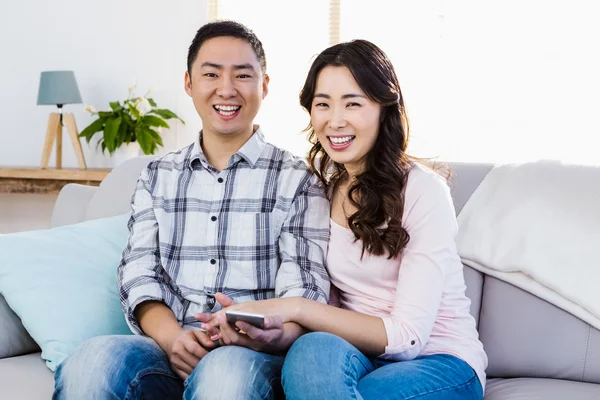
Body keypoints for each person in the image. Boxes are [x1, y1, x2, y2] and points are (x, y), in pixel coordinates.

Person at [52, 20, 331, 400]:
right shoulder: (157, 175)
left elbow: (305, 290)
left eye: (242, 75)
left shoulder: (298, 179)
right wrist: (173, 339)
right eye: (211, 74)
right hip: (169, 342)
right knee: (92, 360)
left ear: (264, 85)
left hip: (251, 354)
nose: (226, 89)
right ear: (189, 83)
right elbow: (139, 272)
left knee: (224, 376)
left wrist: (269, 334)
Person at [198, 39, 488, 399]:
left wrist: (295, 307)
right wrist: (263, 329)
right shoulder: (321, 185)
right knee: (310, 353)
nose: (335, 120)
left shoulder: (422, 190)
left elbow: (408, 337)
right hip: (357, 356)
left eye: (353, 103)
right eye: (323, 104)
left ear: (384, 107)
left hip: (439, 362)